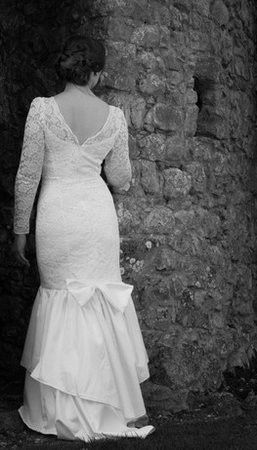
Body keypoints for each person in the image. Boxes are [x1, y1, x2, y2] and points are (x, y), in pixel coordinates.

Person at [12, 35, 155, 442]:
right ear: (95, 72)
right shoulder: (114, 116)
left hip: (56, 214)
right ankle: (105, 405)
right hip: (96, 217)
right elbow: (120, 179)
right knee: (97, 301)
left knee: (61, 297)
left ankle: (56, 410)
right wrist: (109, 173)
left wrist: (20, 231)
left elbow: (27, 176)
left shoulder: (42, 110)